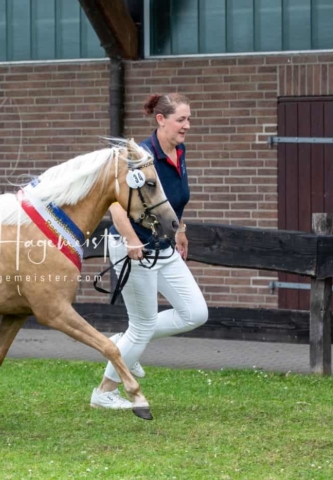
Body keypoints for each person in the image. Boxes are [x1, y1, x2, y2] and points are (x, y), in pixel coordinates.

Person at [90, 93, 209, 409]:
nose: (187, 125)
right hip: (134, 248)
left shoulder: (178, 151)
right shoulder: (139, 156)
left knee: (195, 313)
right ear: (161, 120)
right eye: (181, 119)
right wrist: (131, 240)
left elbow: (174, 200)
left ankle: (122, 342)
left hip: (164, 247)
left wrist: (180, 230)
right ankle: (104, 392)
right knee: (142, 326)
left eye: (188, 118)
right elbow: (115, 205)